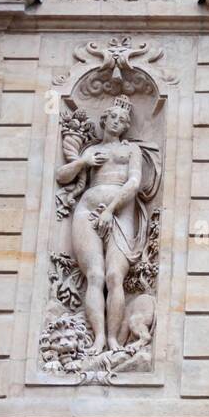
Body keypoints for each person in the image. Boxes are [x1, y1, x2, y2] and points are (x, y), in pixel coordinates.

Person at [55, 95, 159, 353]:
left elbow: (134, 183)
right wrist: (83, 162)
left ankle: (113, 339)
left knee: (114, 276)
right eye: (113, 116)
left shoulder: (131, 150)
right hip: (86, 211)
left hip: (120, 212)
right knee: (95, 276)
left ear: (126, 126)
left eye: (122, 119)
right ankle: (99, 337)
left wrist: (110, 210)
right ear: (104, 120)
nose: (117, 121)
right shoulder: (91, 151)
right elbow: (62, 175)